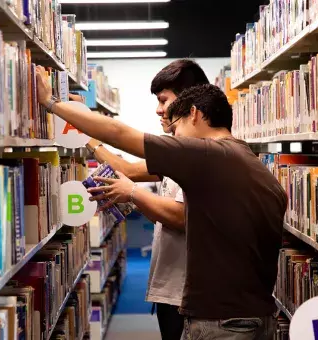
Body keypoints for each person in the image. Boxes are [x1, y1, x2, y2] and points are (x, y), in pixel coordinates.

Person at [37, 68, 288, 339]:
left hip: (222, 320)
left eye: (176, 126)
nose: (174, 134)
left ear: (193, 114)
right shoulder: (243, 158)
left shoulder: (207, 154)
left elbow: (119, 133)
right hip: (254, 313)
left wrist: (52, 102)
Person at [68, 60, 210, 340]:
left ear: (189, 103)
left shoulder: (202, 154)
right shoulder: (180, 152)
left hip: (188, 292)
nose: (158, 110)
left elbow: (182, 217)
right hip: (172, 288)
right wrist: (84, 134)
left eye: (163, 100)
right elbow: (129, 169)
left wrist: (132, 193)